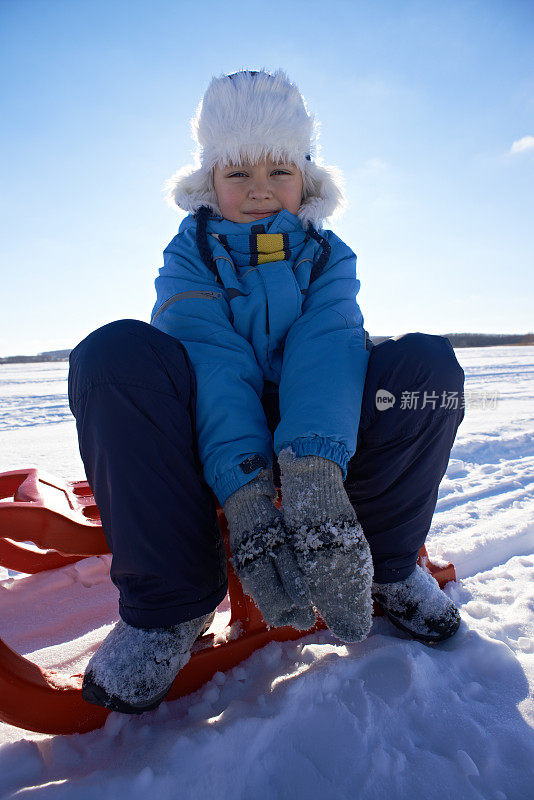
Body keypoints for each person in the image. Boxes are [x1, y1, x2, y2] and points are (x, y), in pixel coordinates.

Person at [68, 69, 465, 715]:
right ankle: (171, 608)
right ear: (209, 182)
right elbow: (213, 360)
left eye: (278, 172)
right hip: (217, 424)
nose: (258, 191)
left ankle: (387, 566)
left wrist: (311, 465)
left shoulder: (329, 255)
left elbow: (327, 347)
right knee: (113, 354)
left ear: (306, 179)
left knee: (426, 371)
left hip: (321, 418)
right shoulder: (189, 254)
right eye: (238, 174)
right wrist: (249, 487)